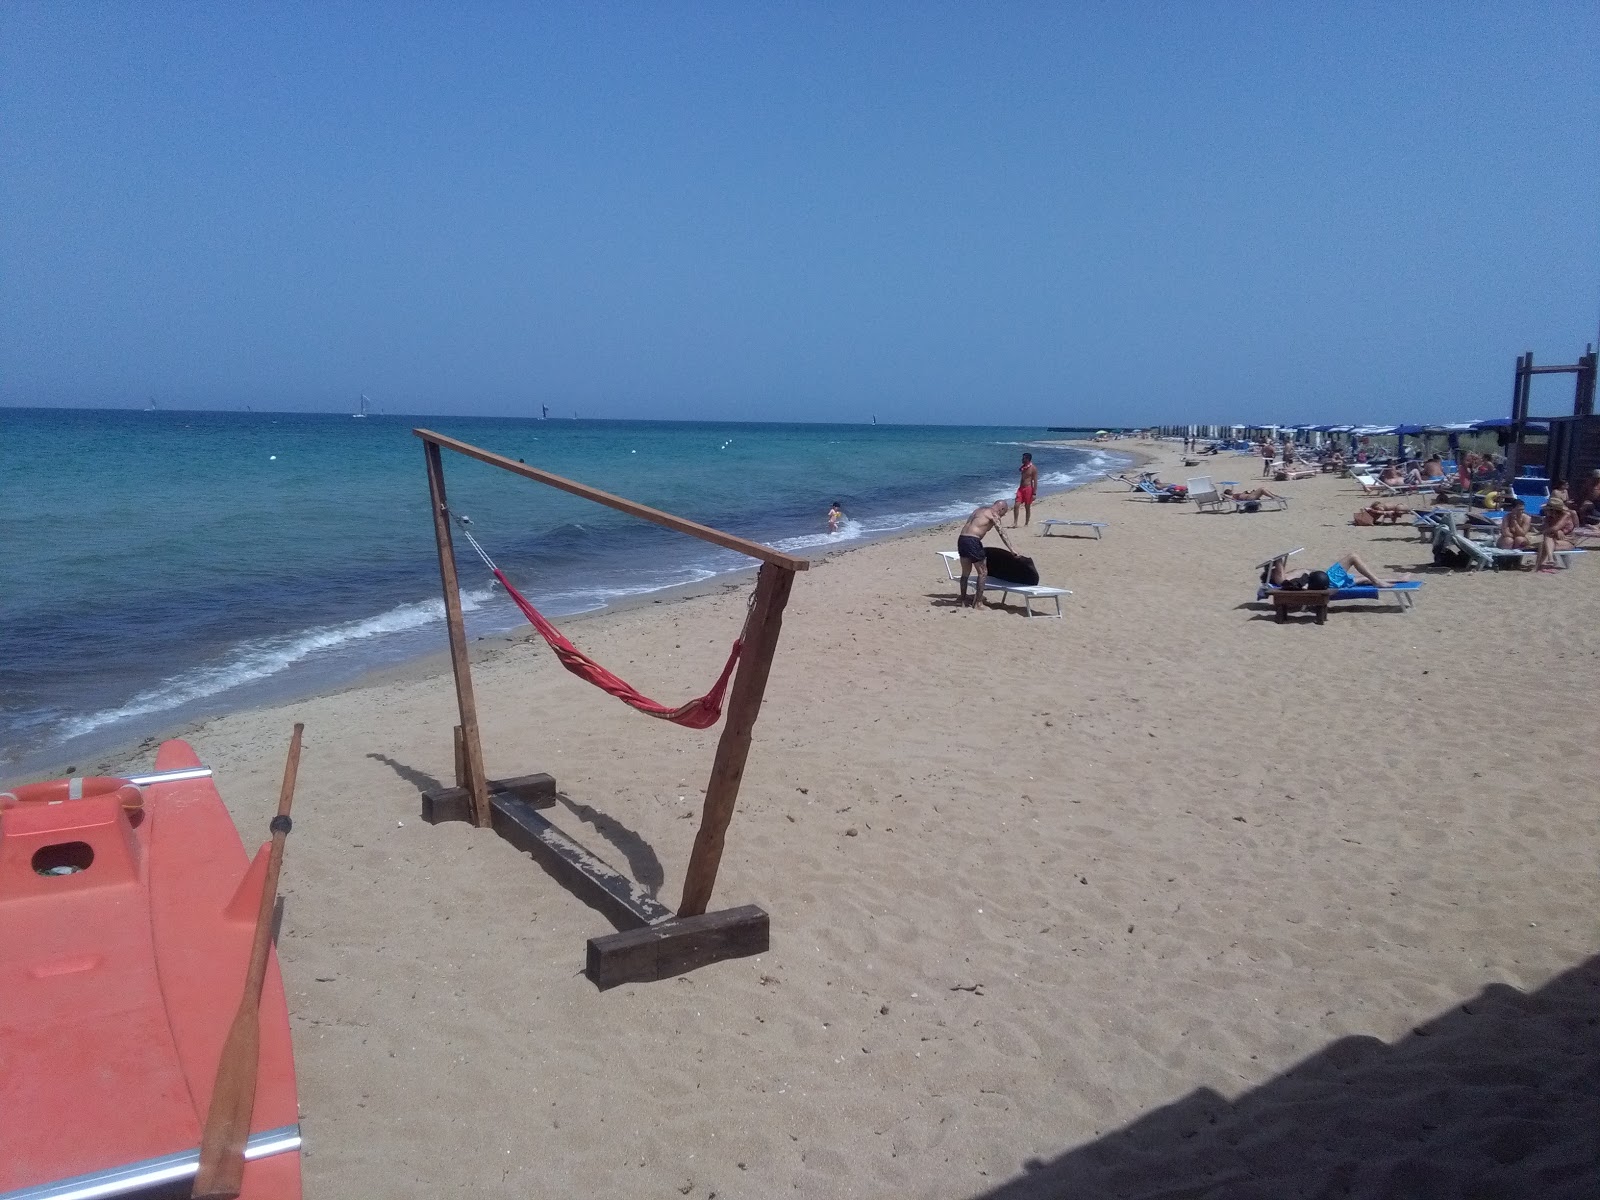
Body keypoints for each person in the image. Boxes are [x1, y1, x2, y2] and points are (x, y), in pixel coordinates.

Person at [956, 499, 1016, 609]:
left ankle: (963, 599)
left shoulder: (979, 510)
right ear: (1001, 509)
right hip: (972, 541)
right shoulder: (993, 514)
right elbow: (1002, 533)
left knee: (965, 572)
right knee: (983, 572)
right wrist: (1012, 549)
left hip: (962, 539)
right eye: (1004, 513)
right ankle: (978, 603)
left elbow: (968, 524)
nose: (1003, 516)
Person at [1264, 552, 1397, 589]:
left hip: (1327, 579)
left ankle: (1399, 579)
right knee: (1352, 557)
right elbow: (1279, 564)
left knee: (1363, 579)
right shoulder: (1282, 580)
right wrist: (1277, 562)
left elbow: (1280, 565)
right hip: (1327, 580)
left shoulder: (1286, 577)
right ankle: (1378, 582)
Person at [1534, 498, 1577, 572]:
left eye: (1548, 509)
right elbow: (1548, 528)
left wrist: (1555, 530)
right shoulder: (1548, 518)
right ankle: (1547, 561)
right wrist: (1556, 531)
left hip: (1567, 540)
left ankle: (1539, 565)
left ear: (1553, 510)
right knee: (1544, 542)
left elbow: (1554, 528)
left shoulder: (1566, 515)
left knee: (1546, 540)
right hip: (1553, 540)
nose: (1546, 511)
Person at [1013, 453, 1039, 527]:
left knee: (1027, 507)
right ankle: (1015, 522)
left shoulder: (1033, 468)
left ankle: (1026, 523)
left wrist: (1034, 493)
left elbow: (1035, 481)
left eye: (1024, 458)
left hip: (1028, 488)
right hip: (1021, 488)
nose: (1022, 459)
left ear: (1028, 459)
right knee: (1016, 505)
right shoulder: (1023, 467)